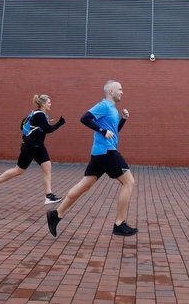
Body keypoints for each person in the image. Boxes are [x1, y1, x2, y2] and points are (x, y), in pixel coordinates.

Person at [46, 80, 137, 237]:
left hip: (100, 153)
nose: (122, 92)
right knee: (128, 182)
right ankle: (119, 224)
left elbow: (113, 132)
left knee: (84, 185)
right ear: (111, 92)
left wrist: (123, 120)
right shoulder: (103, 105)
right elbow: (84, 118)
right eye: (120, 89)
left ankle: (56, 214)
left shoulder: (113, 109)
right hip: (106, 152)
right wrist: (102, 130)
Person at [0, 94, 65, 204]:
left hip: (39, 146)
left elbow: (22, 125)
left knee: (47, 168)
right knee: (19, 170)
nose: (50, 104)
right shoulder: (40, 115)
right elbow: (48, 129)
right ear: (43, 104)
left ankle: (49, 196)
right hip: (30, 147)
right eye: (49, 102)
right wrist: (60, 123)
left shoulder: (35, 114)